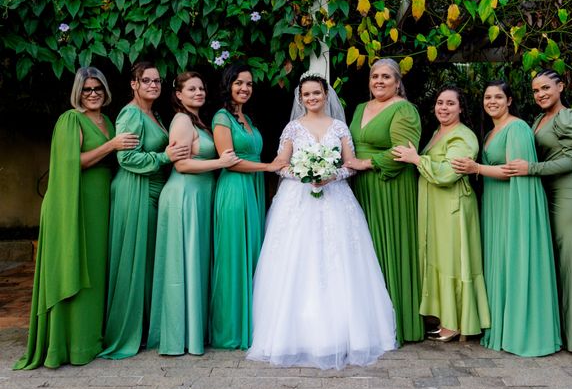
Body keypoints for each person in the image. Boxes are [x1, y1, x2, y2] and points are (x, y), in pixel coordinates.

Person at [247, 73, 397, 369]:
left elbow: (350, 165)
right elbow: (280, 165)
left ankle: (344, 333)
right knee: (298, 260)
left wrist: (330, 175)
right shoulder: (292, 128)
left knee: (339, 260)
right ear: (300, 98)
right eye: (307, 94)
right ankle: (294, 335)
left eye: (317, 93)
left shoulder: (339, 127)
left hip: (336, 198)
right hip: (298, 199)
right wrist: (305, 175)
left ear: (326, 95)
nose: (312, 98)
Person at [14, 67, 139, 369]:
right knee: (75, 265)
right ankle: (69, 345)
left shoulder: (108, 121)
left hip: (100, 205)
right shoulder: (70, 120)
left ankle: (90, 340)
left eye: (98, 88)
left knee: (95, 271)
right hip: (73, 205)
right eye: (87, 89)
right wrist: (111, 145)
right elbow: (71, 163)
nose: (93, 94)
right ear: (78, 93)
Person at [451, 80, 562, 357]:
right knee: (498, 261)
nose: (492, 101)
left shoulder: (517, 128)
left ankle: (521, 331)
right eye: (488, 97)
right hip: (494, 202)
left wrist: (476, 168)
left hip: (513, 203)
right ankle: (499, 326)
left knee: (514, 260)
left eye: (498, 97)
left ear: (509, 100)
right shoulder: (491, 132)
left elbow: (514, 169)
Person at [504, 69, 572, 353]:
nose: (541, 94)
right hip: (550, 194)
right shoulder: (538, 120)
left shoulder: (569, 117)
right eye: (536, 90)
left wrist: (531, 169)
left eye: (546, 88)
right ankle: (561, 329)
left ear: (561, 87)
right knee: (556, 262)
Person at [101, 62, 189, 360]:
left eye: (157, 80)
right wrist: (164, 156)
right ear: (134, 84)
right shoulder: (130, 114)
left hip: (152, 191)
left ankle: (143, 327)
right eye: (146, 80)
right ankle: (125, 332)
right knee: (132, 262)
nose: (153, 85)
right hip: (133, 190)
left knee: (147, 262)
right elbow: (127, 159)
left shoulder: (156, 115)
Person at [147, 72, 240, 356]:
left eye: (201, 88)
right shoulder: (182, 121)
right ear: (178, 94)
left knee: (194, 264)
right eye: (191, 89)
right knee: (181, 265)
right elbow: (182, 165)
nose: (198, 92)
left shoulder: (197, 120)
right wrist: (220, 162)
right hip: (184, 197)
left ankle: (194, 330)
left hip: (199, 197)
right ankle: (179, 336)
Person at [392, 86, 490, 342]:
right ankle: (442, 315)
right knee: (437, 258)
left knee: (452, 260)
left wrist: (416, 160)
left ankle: (456, 322)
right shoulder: (437, 132)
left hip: (453, 207)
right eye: (439, 102)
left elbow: (447, 174)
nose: (443, 108)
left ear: (460, 108)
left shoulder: (463, 136)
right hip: (436, 206)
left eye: (450, 103)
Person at [210, 63, 287, 349]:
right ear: (228, 84)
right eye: (239, 83)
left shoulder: (247, 118)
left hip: (253, 190)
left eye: (249, 84)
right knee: (233, 258)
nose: (245, 88)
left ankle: (252, 325)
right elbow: (229, 159)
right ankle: (230, 329)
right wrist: (268, 166)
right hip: (234, 189)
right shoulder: (222, 118)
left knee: (253, 255)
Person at [347, 58, 423, 345]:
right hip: (359, 188)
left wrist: (365, 163)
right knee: (364, 252)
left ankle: (397, 323)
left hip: (390, 185)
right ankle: (368, 323)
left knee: (388, 247)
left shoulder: (405, 109)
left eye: (386, 77)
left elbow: (403, 151)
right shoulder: (358, 109)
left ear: (397, 81)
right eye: (374, 76)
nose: (379, 81)